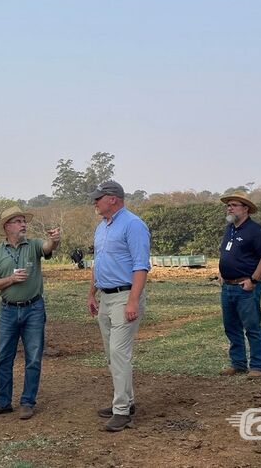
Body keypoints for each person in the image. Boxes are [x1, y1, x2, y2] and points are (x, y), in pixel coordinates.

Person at [0, 206, 61, 420]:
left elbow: (48, 246)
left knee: (33, 357)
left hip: (34, 308)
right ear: (7, 226)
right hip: (8, 310)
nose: (23, 224)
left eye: (24, 221)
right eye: (18, 221)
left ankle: (27, 402)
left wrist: (55, 239)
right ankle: (2, 401)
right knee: (3, 357)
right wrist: (10, 280)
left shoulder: (33, 245)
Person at [86, 181, 151, 432]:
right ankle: (127, 401)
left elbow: (140, 265)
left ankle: (122, 411)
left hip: (125, 296)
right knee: (112, 355)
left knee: (119, 352)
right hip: (106, 297)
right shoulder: (101, 228)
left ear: (112, 199)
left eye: (98, 198)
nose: (95, 202)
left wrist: (133, 301)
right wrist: (92, 294)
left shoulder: (133, 225)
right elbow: (97, 263)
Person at [217, 190, 261, 379]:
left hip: (245, 287)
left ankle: (257, 366)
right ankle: (238, 363)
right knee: (231, 327)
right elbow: (226, 254)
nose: (229, 208)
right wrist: (222, 274)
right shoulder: (230, 229)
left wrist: (254, 280)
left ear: (246, 208)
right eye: (228, 205)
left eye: (233, 205)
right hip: (228, 287)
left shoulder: (256, 230)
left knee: (252, 326)